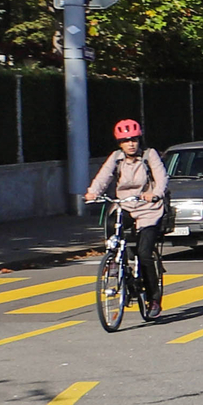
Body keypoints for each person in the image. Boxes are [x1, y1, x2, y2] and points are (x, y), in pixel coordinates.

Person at [83, 118, 169, 304]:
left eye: (134, 140)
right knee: (110, 223)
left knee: (144, 253)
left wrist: (155, 193)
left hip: (148, 209)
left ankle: (154, 299)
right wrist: (92, 192)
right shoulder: (116, 158)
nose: (130, 144)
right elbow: (103, 177)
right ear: (119, 143)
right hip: (126, 206)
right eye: (125, 141)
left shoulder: (149, 155)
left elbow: (161, 177)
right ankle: (115, 260)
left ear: (139, 140)